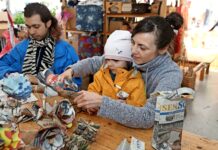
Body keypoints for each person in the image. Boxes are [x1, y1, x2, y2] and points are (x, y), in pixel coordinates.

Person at [60, 14, 183, 128]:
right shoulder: (132, 56)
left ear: (163, 48)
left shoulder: (170, 75)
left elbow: (149, 116)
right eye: (133, 42)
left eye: (142, 47)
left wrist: (102, 102)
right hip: (115, 125)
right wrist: (72, 70)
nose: (133, 51)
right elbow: (96, 62)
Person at [0, 2, 81, 86]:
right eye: (28, 27)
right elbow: (2, 64)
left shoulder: (66, 50)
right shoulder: (22, 46)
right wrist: (15, 76)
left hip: (53, 98)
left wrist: (47, 81)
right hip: (24, 96)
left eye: (36, 26)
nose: (31, 32)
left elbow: (75, 84)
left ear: (48, 23)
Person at [87, 30, 146, 114]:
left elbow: (139, 106)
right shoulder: (101, 74)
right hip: (102, 120)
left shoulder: (136, 81)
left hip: (123, 124)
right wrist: (90, 104)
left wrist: (126, 105)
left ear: (129, 61)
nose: (110, 64)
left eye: (115, 60)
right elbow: (93, 90)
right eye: (107, 59)